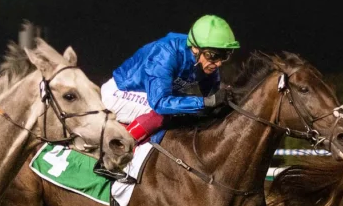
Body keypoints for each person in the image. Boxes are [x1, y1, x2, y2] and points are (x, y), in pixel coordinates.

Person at [99, 14, 239, 178]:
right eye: (213, 56)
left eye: (224, 56)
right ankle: (110, 160)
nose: (219, 63)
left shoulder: (208, 67)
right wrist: (205, 102)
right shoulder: (166, 52)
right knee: (161, 115)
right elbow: (160, 102)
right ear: (195, 48)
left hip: (150, 97)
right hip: (120, 92)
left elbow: (212, 102)